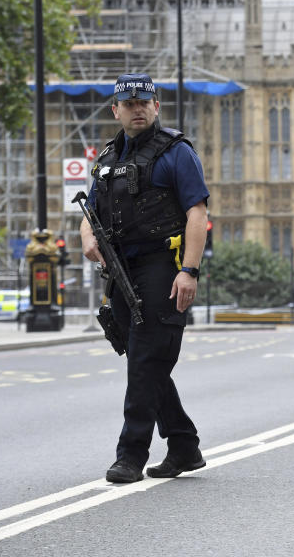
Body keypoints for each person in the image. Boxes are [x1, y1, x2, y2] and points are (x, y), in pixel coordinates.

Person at [80, 73, 209, 483]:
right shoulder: (106, 158)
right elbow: (91, 214)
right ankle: (184, 445)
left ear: (156, 107)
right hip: (121, 270)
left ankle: (130, 454)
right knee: (144, 360)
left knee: (146, 360)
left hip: (163, 267)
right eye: (128, 104)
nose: (137, 109)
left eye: (144, 103)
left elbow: (197, 214)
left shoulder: (176, 151)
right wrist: (86, 237)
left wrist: (189, 271)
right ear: (115, 109)